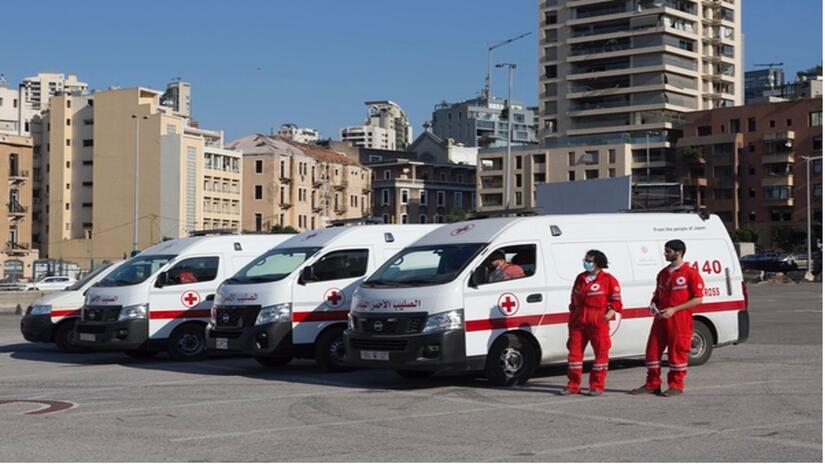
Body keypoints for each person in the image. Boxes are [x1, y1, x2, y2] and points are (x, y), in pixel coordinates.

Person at [630, 239, 704, 397]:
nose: (665, 254)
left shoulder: (690, 274)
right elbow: (657, 294)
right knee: (652, 351)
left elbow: (698, 299)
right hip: (660, 318)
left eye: (668, 251)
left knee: (677, 351)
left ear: (679, 252)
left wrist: (675, 309)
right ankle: (652, 384)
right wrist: (653, 303)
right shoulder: (663, 274)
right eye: (665, 250)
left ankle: (676, 385)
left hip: (679, 319)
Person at [561, 250, 622, 396]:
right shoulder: (580, 278)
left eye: (589, 261)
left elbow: (616, 302)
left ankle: (596, 386)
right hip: (578, 320)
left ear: (598, 263)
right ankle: (573, 385)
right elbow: (573, 298)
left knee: (601, 353)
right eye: (585, 260)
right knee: (574, 355)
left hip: (597, 320)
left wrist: (606, 316)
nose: (586, 263)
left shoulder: (608, 280)